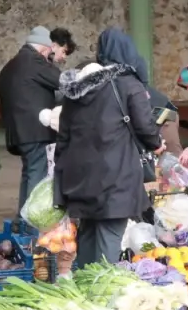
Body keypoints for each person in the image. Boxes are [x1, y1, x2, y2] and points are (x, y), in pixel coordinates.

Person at [54, 62, 163, 267]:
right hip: (116, 177)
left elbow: (63, 139)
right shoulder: (127, 85)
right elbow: (146, 128)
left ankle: (83, 287)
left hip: (78, 178)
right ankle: (102, 292)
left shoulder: (72, 95)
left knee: (87, 232)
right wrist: (157, 143)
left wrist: (60, 178)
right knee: (109, 235)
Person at [0, 26, 61, 224]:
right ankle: (32, 224)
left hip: (18, 131)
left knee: (28, 173)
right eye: (49, 52)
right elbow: (62, 81)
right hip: (36, 130)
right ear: (43, 49)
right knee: (37, 175)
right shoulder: (34, 61)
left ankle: (21, 220)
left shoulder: (11, 65)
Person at [96, 27, 182, 154]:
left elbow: (143, 123)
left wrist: (155, 144)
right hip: (154, 113)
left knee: (170, 159)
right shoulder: (129, 67)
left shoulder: (114, 77)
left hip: (160, 113)